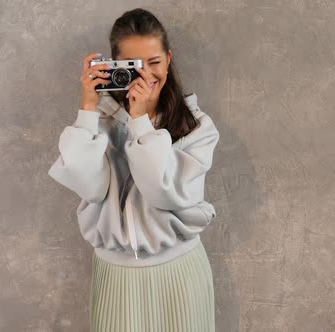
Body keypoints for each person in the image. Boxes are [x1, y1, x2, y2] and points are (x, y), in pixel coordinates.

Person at [47, 8, 219, 331]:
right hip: (117, 277)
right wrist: (87, 108)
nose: (146, 76)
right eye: (135, 67)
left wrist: (140, 123)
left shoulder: (197, 127)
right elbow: (89, 186)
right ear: (116, 66)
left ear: (169, 59)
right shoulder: (101, 123)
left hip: (179, 275)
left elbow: (162, 191)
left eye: (154, 63)